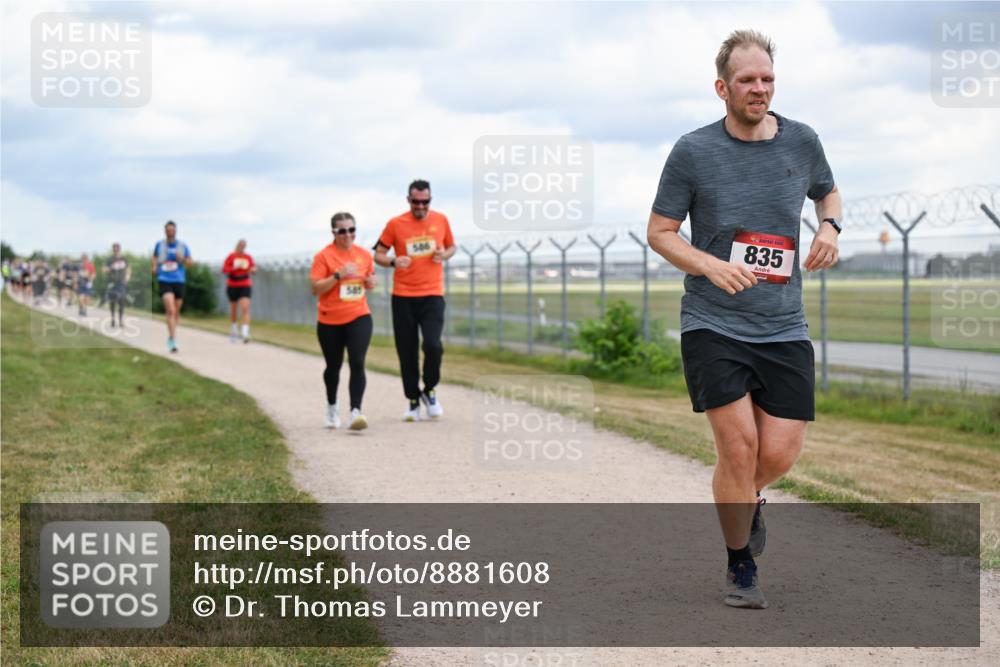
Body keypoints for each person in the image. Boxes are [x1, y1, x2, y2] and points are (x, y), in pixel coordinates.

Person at [647, 30, 842, 610]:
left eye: (767, 79)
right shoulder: (693, 151)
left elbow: (827, 196)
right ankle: (740, 566)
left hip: (783, 323)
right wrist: (708, 265)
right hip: (713, 321)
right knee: (737, 448)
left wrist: (830, 228)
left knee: (777, 452)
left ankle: (749, 497)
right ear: (722, 87)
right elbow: (660, 231)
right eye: (747, 81)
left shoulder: (803, 141)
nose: (759, 89)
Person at [373, 179, 456, 421]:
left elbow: (452, 247)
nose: (421, 206)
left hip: (432, 294)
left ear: (430, 200)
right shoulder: (395, 224)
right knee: (406, 350)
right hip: (403, 297)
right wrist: (392, 261)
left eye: (425, 202)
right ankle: (412, 400)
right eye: (416, 202)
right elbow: (378, 253)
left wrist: (444, 254)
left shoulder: (440, 220)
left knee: (433, 345)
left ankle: (430, 390)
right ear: (408, 200)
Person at [310, 212, 377, 431]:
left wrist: (370, 282)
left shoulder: (364, 255)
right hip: (330, 319)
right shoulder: (324, 257)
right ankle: (332, 407)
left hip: (359, 314)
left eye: (352, 230)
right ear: (334, 233)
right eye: (342, 231)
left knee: (357, 361)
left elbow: (369, 280)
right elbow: (315, 288)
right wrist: (338, 275)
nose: (348, 235)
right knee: (333, 366)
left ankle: (356, 412)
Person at [152, 221, 193, 353]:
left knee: (176, 310)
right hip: (164, 279)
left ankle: (172, 333)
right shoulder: (159, 245)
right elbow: (154, 258)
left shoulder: (182, 246)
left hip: (179, 280)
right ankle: (173, 340)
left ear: (175, 231)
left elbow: (190, 262)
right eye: (168, 230)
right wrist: (153, 266)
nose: (170, 232)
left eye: (172, 230)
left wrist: (182, 259)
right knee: (170, 309)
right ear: (165, 231)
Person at [221, 239, 256, 343]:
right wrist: (234, 268)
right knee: (234, 309)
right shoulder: (231, 256)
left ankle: (245, 333)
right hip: (233, 284)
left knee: (245, 307)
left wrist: (253, 270)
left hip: (245, 284)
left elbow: (253, 267)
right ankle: (234, 330)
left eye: (244, 246)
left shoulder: (248, 257)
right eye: (240, 245)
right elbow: (224, 269)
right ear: (237, 245)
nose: (242, 247)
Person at [102, 243, 131, 328]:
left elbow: (128, 268)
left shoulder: (124, 259)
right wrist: (109, 268)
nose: (116, 250)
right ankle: (113, 319)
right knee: (113, 301)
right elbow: (104, 269)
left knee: (121, 300)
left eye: (117, 249)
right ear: (113, 250)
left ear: (120, 249)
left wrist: (128, 276)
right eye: (114, 249)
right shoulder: (110, 259)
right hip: (112, 282)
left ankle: (121, 320)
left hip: (121, 282)